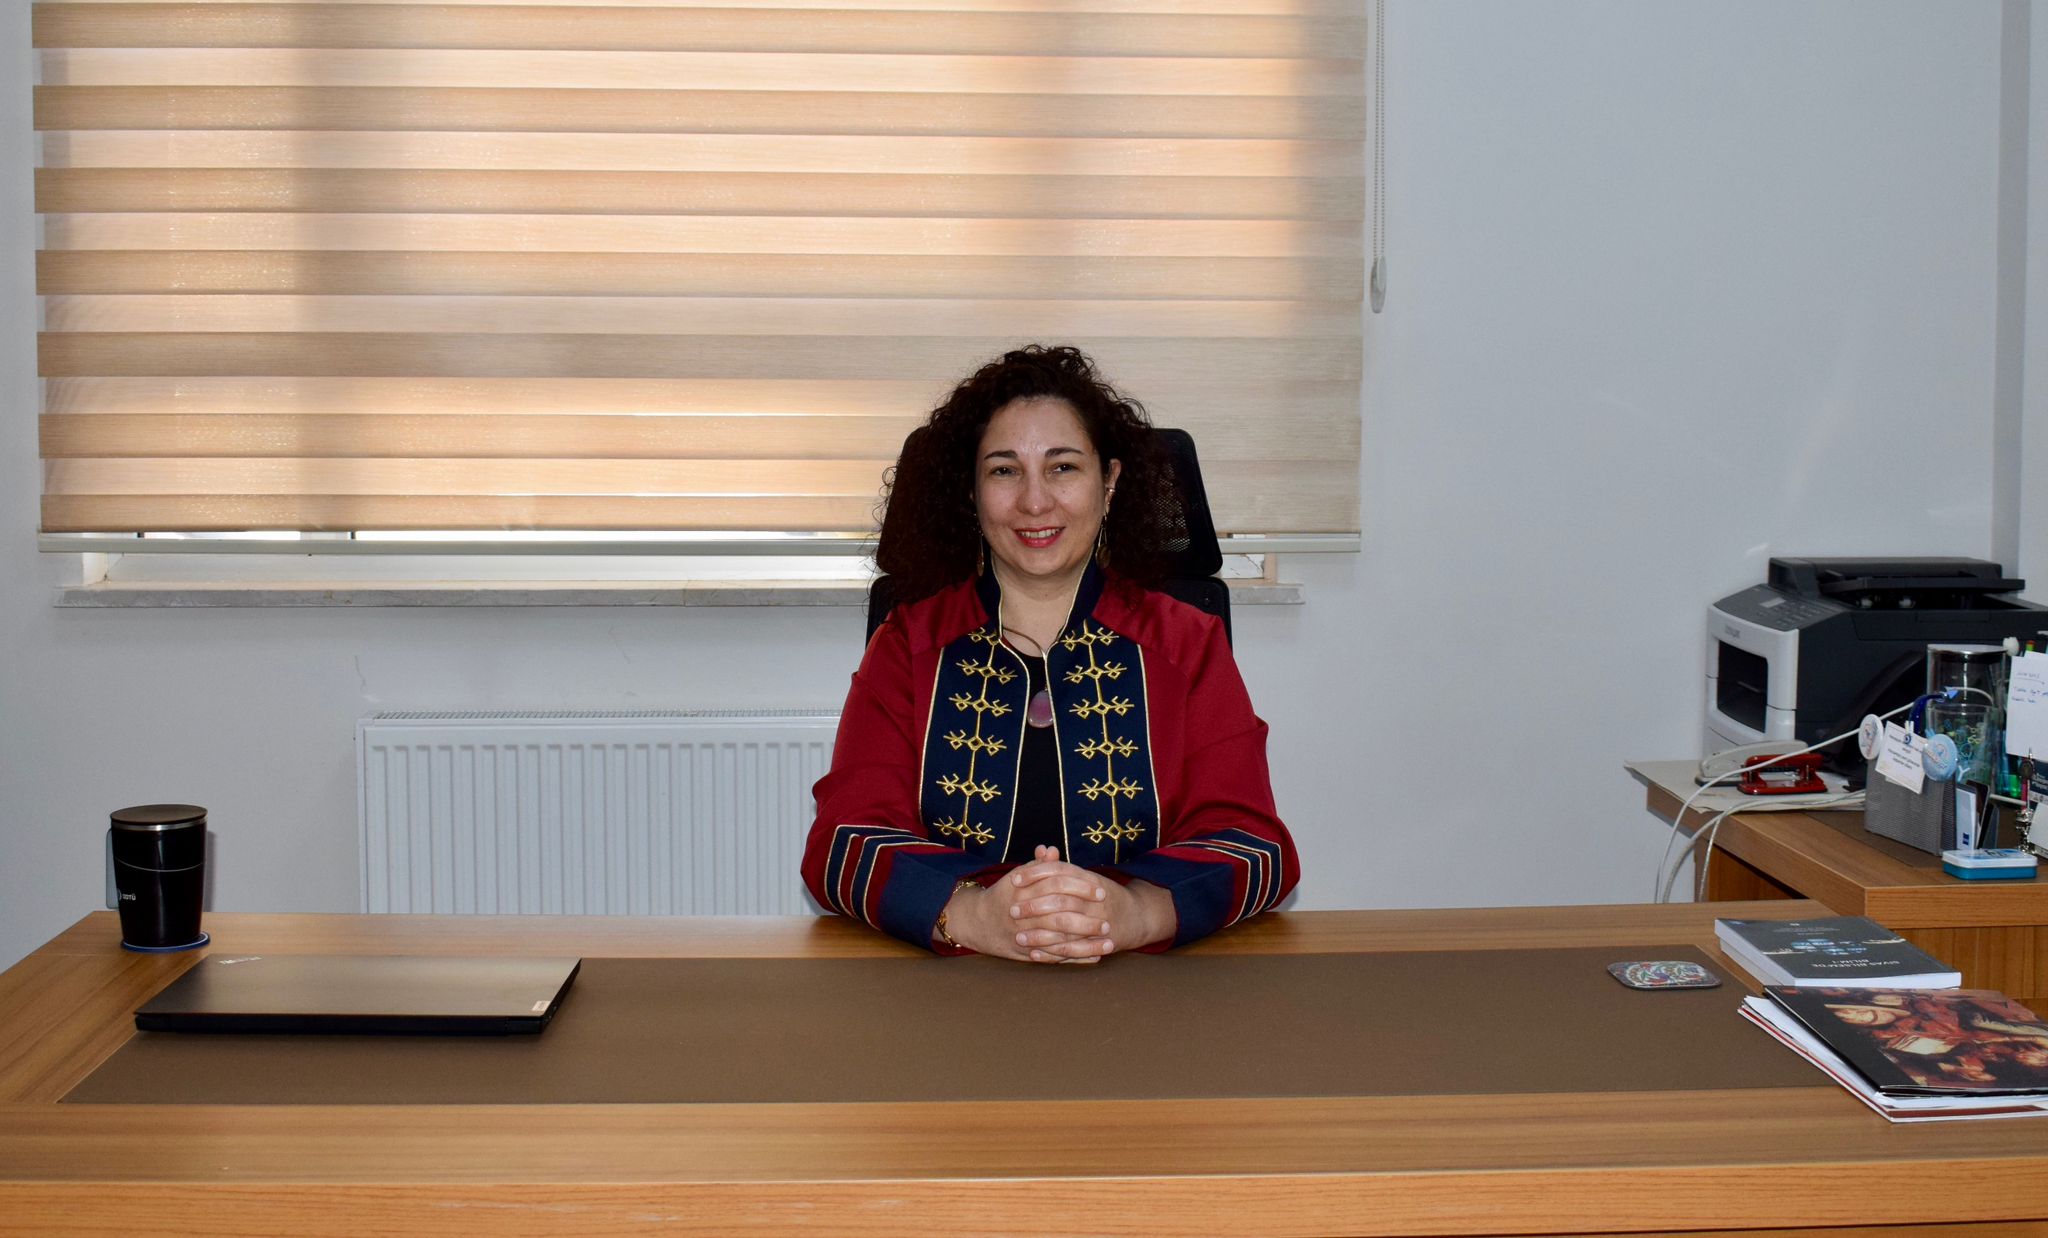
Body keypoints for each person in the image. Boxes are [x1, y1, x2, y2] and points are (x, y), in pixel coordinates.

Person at [801, 344, 1298, 962]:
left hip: (1142, 986)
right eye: (1003, 471)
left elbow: (1256, 845)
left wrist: (1137, 912)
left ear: (1109, 483)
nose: (1035, 502)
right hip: (952, 983)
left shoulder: (1187, 643)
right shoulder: (907, 644)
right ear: (971, 491)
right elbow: (842, 840)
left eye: (1062, 467)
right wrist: (973, 915)